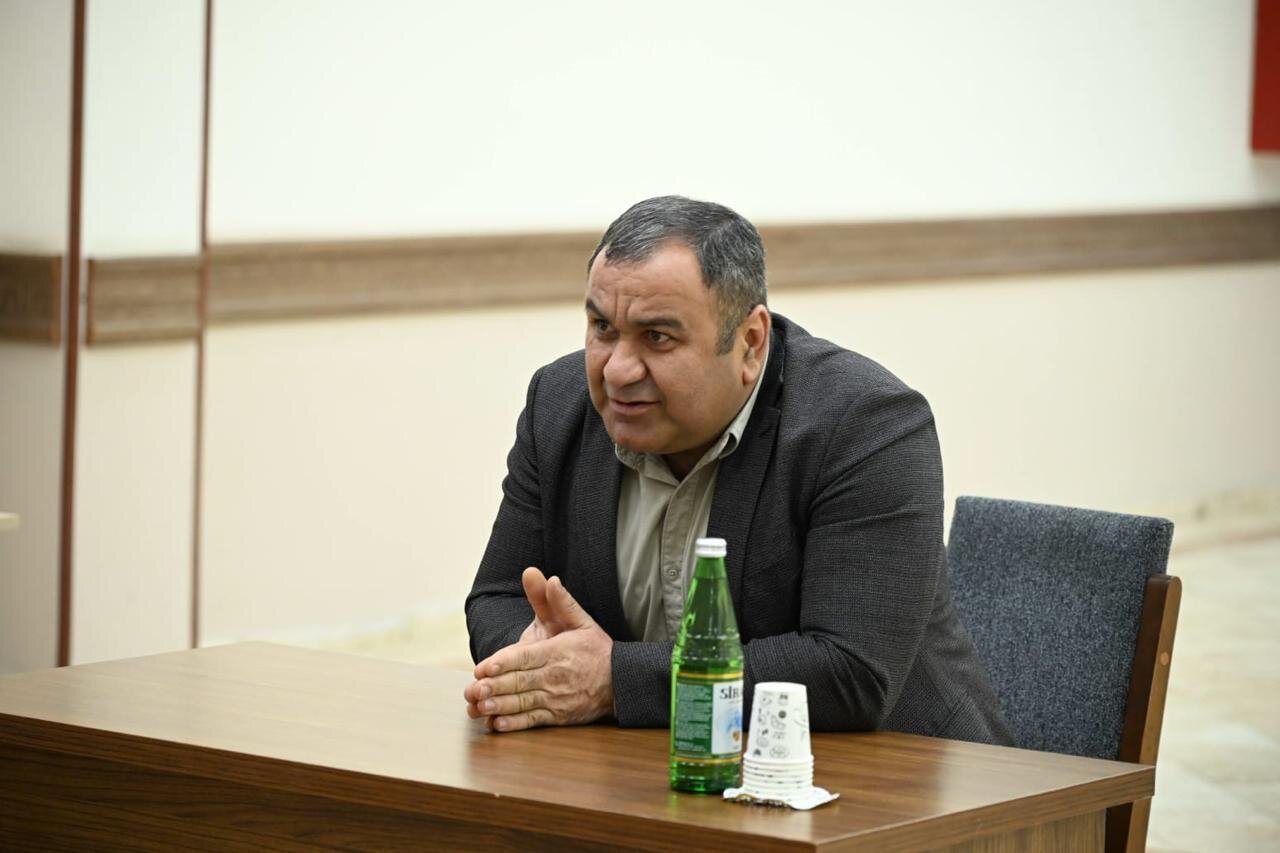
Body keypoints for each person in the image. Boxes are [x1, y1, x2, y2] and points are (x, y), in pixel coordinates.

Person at [463, 195, 1010, 744]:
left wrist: (613, 679)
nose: (618, 371)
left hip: (895, 773)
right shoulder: (558, 404)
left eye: (658, 337)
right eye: (603, 328)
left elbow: (850, 671)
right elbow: (498, 598)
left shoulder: (865, 424)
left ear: (750, 343)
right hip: (649, 764)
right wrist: (541, 665)